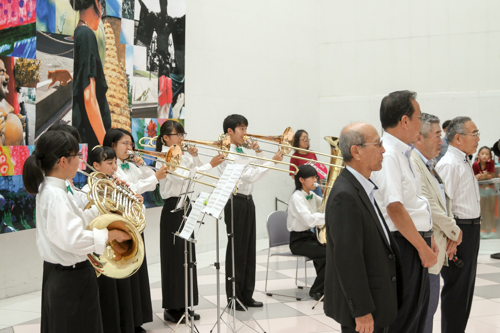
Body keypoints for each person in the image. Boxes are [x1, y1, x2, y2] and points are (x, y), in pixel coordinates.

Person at [22, 130, 130, 332]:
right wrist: (111, 235)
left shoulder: (56, 188)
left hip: (72, 277)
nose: (80, 161)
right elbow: (73, 239)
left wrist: (108, 206)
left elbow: (79, 218)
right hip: (71, 280)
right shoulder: (55, 195)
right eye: (77, 156)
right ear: (63, 161)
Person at [324, 122, 402, 333]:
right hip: (365, 310)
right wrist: (361, 311)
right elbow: (348, 259)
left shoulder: (360, 186)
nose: (383, 150)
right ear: (356, 151)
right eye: (378, 144)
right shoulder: (345, 195)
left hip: (377, 301)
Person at [371, 90, 436, 333]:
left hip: (413, 240)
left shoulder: (403, 152)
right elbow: (394, 207)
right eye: (419, 117)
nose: (422, 123)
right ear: (405, 120)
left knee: (417, 315)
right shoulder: (389, 155)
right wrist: (422, 246)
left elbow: (412, 204)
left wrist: (427, 239)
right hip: (404, 244)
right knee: (405, 319)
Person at [155, 120, 224, 322]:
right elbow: (182, 178)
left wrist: (195, 157)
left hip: (186, 205)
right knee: (174, 258)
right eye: (178, 134)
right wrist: (210, 165)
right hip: (173, 208)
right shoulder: (163, 157)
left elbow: (196, 173)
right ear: (166, 138)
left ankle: (186, 303)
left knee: (187, 257)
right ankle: (172, 307)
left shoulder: (183, 155)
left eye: (183, 134)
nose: (182, 138)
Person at [104, 128, 169, 332]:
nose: (129, 147)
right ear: (112, 145)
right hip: (121, 226)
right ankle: (125, 322)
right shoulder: (112, 167)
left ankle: (136, 319)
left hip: (135, 223)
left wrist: (144, 167)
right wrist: (153, 178)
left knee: (138, 272)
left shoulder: (131, 165)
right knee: (125, 273)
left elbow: (149, 186)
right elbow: (130, 188)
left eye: (130, 143)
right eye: (125, 143)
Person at [218, 114, 283, 310]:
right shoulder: (225, 152)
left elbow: (257, 170)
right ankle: (234, 296)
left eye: (246, 128)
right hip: (234, 202)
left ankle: (247, 294)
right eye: (242, 129)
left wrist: (260, 153)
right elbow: (249, 175)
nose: (246, 133)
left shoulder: (242, 150)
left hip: (247, 201)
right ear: (230, 131)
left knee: (248, 248)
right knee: (237, 249)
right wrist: (272, 162)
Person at [409, 113, 463, 333]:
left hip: (437, 247)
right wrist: (455, 231)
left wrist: (451, 235)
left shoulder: (429, 164)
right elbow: (428, 205)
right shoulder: (413, 163)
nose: (442, 141)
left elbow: (443, 203)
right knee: (424, 316)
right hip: (425, 250)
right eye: (437, 135)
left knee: (428, 313)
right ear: (419, 139)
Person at [436, 116, 481, 333]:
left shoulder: (463, 160)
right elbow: (443, 205)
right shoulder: (449, 164)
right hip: (460, 231)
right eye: (474, 134)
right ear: (458, 138)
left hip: (470, 229)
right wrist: (450, 236)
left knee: (465, 290)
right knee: (456, 290)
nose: (478, 138)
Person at [72, 0, 112, 150]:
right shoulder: (87, 35)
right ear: (96, 3)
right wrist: (105, 147)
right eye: (101, 4)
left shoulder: (78, 33)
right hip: (91, 140)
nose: (101, 9)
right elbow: (89, 98)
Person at [286, 165, 326, 301]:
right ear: (302, 180)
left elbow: (325, 205)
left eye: (316, 177)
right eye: (313, 177)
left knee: (329, 250)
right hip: (298, 241)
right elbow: (309, 220)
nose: (316, 180)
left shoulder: (311, 194)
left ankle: (323, 289)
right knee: (329, 254)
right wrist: (329, 216)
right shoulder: (297, 197)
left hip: (309, 236)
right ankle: (316, 290)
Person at [289, 130, 324, 196]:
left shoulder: (312, 153)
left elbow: (317, 172)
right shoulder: (294, 157)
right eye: (303, 138)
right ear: (297, 141)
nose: (306, 140)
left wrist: (320, 185)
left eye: (307, 138)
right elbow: (293, 176)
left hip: (315, 185)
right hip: (303, 186)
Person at [473, 146, 497, 238]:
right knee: (482, 210)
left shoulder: (491, 163)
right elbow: (474, 178)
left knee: (491, 210)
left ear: (490, 156)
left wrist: (485, 176)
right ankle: (482, 229)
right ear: (478, 155)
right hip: (480, 190)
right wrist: (480, 176)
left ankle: (492, 229)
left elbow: (492, 176)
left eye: (487, 154)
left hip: (490, 189)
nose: (484, 156)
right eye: (482, 154)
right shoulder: (475, 165)